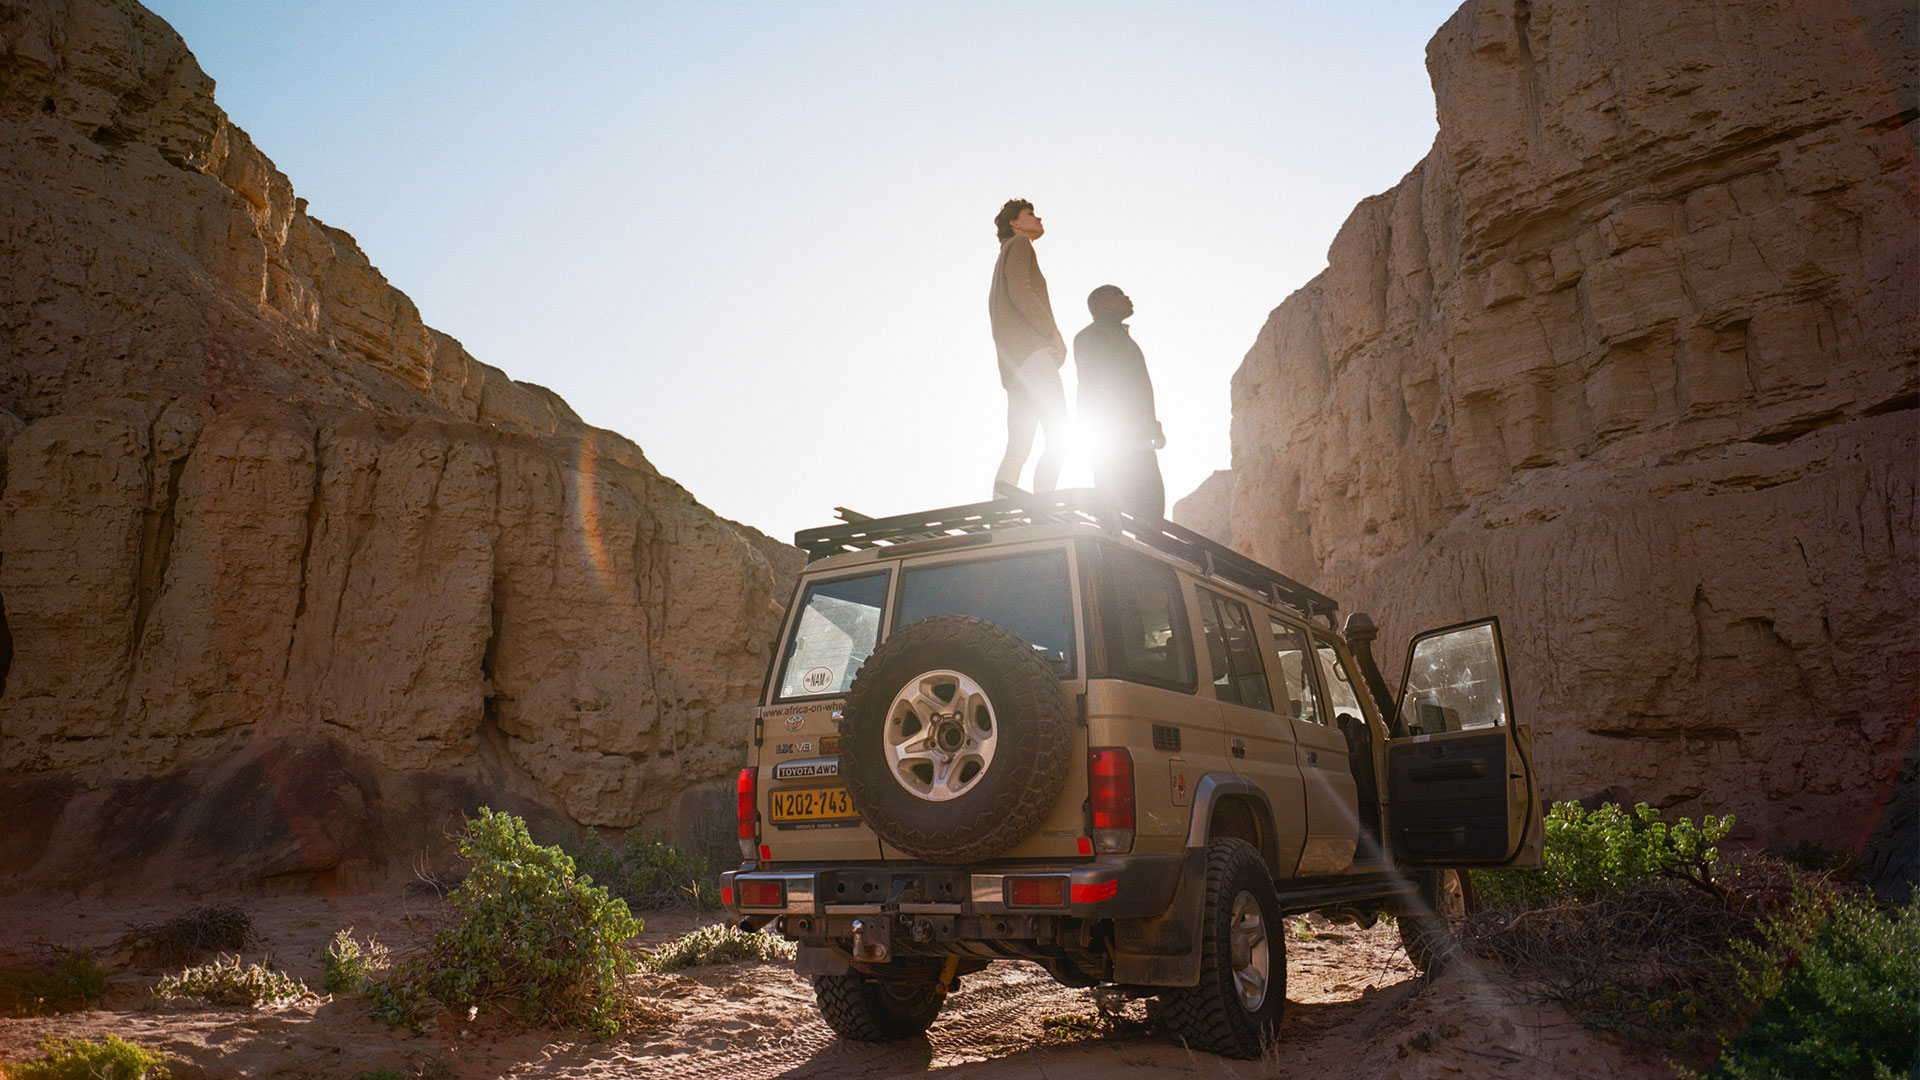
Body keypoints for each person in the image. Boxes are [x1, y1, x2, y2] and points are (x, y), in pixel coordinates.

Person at [987, 198, 1068, 500]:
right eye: (1030, 214)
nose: (1038, 218)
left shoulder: (1002, 258)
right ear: (1015, 223)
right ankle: (1044, 505)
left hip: (1014, 367)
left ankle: (999, 511)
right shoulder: (1020, 245)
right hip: (1034, 357)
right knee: (1058, 434)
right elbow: (1021, 290)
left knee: (1018, 447)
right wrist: (1052, 331)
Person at [1073, 284, 1166, 517]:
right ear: (1102, 304)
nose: (1127, 297)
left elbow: (1138, 388)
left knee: (1150, 510)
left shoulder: (1121, 338)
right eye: (1119, 294)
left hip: (1137, 438)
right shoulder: (1091, 336)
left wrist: (1153, 427)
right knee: (1120, 509)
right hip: (1116, 439)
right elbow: (1092, 386)